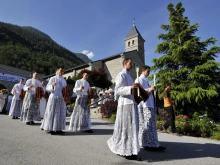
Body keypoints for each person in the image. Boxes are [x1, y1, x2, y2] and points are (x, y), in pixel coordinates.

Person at [107, 58, 141, 161]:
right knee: (127, 127)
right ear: (125, 63)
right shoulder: (121, 75)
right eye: (130, 63)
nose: (132, 65)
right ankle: (126, 150)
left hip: (131, 103)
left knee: (131, 127)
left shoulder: (130, 77)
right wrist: (131, 88)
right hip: (125, 104)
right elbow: (117, 90)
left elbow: (131, 89)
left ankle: (130, 149)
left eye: (132, 63)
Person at [135, 65, 166, 151]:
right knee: (147, 125)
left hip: (149, 104)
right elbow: (139, 92)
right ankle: (150, 144)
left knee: (149, 125)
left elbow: (146, 90)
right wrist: (149, 89)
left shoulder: (145, 80)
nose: (148, 73)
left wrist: (152, 89)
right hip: (145, 105)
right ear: (143, 70)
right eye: (147, 71)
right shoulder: (139, 79)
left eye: (149, 72)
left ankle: (150, 143)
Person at [40, 68, 67, 135]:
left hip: (60, 97)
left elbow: (65, 90)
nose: (61, 72)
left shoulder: (64, 80)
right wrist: (52, 85)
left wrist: (65, 95)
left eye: (62, 71)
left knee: (60, 113)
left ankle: (58, 129)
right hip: (53, 96)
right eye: (60, 70)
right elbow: (47, 88)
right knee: (51, 112)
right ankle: (50, 128)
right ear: (57, 71)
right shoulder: (53, 78)